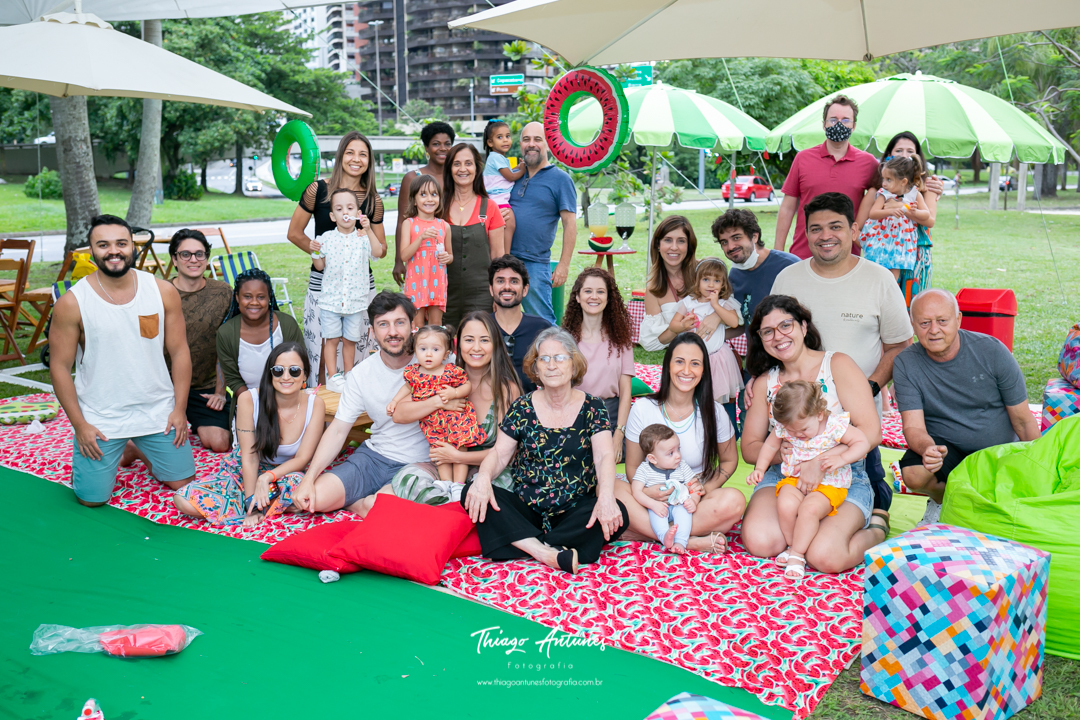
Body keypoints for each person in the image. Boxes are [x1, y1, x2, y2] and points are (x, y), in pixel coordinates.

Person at [770, 192, 913, 512]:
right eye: (816, 229)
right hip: (796, 429)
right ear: (805, 234)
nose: (825, 236)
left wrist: (869, 387)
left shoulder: (879, 280)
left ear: (855, 230)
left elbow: (899, 347)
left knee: (867, 506)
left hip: (855, 429)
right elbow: (772, 339)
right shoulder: (787, 278)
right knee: (789, 517)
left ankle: (875, 512)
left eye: (835, 226)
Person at [49, 214, 195, 506]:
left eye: (121, 243)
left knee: (183, 484)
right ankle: (123, 446)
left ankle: (137, 447)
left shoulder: (162, 291)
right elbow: (60, 368)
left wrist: (179, 410)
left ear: (132, 246)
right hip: (102, 417)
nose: (113, 251)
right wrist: (80, 425)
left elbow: (180, 352)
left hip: (156, 412)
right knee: (92, 499)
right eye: (103, 245)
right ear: (91, 251)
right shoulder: (72, 303)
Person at [740, 295, 889, 573]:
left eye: (786, 325)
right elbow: (750, 447)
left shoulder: (837, 365)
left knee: (824, 557)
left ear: (803, 327)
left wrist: (817, 463)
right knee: (761, 542)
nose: (778, 336)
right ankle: (800, 534)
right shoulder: (765, 383)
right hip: (784, 475)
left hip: (842, 475)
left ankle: (877, 527)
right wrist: (780, 454)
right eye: (767, 331)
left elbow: (871, 433)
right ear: (760, 339)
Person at [460, 327, 628, 574]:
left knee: (617, 511)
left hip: (573, 510)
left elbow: (603, 456)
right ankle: (547, 551)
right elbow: (499, 454)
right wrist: (483, 478)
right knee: (471, 492)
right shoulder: (522, 407)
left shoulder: (594, 407)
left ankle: (523, 541)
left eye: (559, 358)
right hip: (527, 508)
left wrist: (605, 498)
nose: (552, 365)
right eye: (544, 359)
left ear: (574, 364)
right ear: (535, 367)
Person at [893, 289, 1039, 524]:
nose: (934, 330)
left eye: (942, 321)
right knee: (914, 473)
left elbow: (1023, 420)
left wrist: (1040, 461)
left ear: (958, 319)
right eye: (924, 323)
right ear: (912, 324)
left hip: (997, 450)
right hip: (947, 447)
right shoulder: (906, 362)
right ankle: (944, 503)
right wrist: (928, 449)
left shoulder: (992, 351)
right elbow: (913, 428)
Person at [292, 292, 430, 517]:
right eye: (383, 325)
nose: (392, 332)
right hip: (374, 458)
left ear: (413, 325)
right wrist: (309, 479)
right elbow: (338, 430)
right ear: (372, 332)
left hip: (421, 463)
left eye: (400, 323)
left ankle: (362, 503)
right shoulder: (361, 374)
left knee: (383, 509)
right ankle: (361, 503)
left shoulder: (434, 362)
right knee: (312, 499)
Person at [616, 333, 744, 554]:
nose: (686, 371)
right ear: (667, 366)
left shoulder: (715, 412)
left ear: (704, 370)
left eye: (695, 364)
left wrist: (705, 488)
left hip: (692, 502)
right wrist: (648, 492)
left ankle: (645, 532)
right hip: (651, 500)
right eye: (679, 362)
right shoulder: (643, 408)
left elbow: (730, 460)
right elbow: (633, 467)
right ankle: (688, 540)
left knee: (734, 501)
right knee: (607, 487)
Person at [174, 342, 325, 526]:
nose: (286, 377)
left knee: (299, 484)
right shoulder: (249, 400)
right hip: (244, 471)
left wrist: (267, 476)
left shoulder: (315, 404)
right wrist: (251, 505)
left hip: (283, 475)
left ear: (305, 375)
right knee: (183, 500)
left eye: (294, 371)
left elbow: (302, 459)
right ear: (270, 374)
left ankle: (246, 505)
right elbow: (249, 457)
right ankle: (259, 505)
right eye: (278, 370)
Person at [390, 311, 522, 504]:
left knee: (496, 491)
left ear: (495, 345)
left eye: (484, 340)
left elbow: (507, 453)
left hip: (490, 468)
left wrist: (458, 456)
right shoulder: (441, 377)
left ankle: (452, 513)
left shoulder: (506, 390)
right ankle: (452, 511)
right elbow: (399, 415)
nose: (476, 348)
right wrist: (439, 401)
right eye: (469, 340)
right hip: (446, 467)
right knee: (408, 480)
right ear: (457, 344)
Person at [747, 380, 870, 579]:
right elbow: (770, 446)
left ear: (819, 414)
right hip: (795, 477)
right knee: (785, 503)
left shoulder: (833, 425)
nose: (797, 435)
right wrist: (760, 469)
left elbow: (862, 441)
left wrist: (841, 458)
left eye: (803, 430)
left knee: (809, 509)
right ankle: (792, 545)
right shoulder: (787, 426)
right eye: (791, 431)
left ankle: (797, 554)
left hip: (830, 482)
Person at [287, 132, 386, 377]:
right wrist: (319, 252)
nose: (356, 159)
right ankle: (322, 407)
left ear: (369, 161)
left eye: (363, 154)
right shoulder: (317, 190)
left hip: (360, 287)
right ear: (341, 155)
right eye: (350, 152)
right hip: (323, 284)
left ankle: (353, 403)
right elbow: (294, 233)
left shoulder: (373, 200)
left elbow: (381, 249)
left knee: (356, 349)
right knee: (321, 351)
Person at [774, 95, 879, 259]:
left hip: (848, 258)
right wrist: (778, 252)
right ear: (823, 124)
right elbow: (787, 207)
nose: (839, 124)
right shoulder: (803, 158)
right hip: (804, 255)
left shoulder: (868, 163)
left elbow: (893, 192)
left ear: (854, 126)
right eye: (833, 119)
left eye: (845, 120)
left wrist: (929, 187)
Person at [387, 324, 485, 486]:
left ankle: (459, 485)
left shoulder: (450, 371)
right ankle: (446, 483)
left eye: (435, 350)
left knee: (460, 449)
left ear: (446, 354)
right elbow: (407, 388)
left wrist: (454, 393)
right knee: (439, 453)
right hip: (433, 424)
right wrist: (395, 401)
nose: (429, 354)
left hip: (456, 421)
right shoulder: (414, 373)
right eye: (423, 349)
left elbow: (466, 385)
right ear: (415, 350)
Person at [854, 132, 944, 306]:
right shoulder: (878, 192)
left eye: (910, 151)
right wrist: (874, 247)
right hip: (883, 255)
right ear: (889, 156)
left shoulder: (926, 189)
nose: (905, 155)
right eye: (899, 150)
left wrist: (902, 208)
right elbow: (858, 227)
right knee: (882, 304)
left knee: (913, 308)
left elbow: (929, 220)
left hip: (916, 257)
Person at [311, 187, 386, 390]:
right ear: (332, 216)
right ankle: (333, 377)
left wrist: (369, 230)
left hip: (354, 301)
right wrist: (315, 252)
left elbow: (378, 253)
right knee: (332, 339)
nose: (345, 211)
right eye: (339, 208)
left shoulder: (363, 238)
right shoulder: (325, 238)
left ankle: (350, 375)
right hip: (330, 301)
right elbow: (319, 267)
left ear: (357, 213)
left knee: (350, 340)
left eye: (350, 207)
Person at [167, 228, 232, 453]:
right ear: (174, 259)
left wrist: (220, 392)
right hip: (164, 388)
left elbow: (227, 346)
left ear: (206, 258)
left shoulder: (223, 293)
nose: (193, 260)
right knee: (129, 450)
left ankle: (195, 419)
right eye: (185, 254)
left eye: (199, 254)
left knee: (220, 442)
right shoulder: (159, 293)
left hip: (203, 388)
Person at [506, 121, 577, 324]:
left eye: (538, 139)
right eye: (526, 139)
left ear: (548, 144)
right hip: (505, 258)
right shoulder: (512, 176)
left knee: (541, 321)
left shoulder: (561, 179)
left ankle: (554, 354)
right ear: (520, 145)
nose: (532, 144)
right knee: (503, 317)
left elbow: (570, 225)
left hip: (535, 262)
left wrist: (563, 265)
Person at [562, 267, 633, 462]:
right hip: (574, 414)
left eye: (600, 291)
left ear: (609, 298)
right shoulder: (564, 341)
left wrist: (618, 433)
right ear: (577, 297)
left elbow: (626, 392)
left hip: (610, 414)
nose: (594, 297)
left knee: (617, 457)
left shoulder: (621, 339)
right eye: (588, 291)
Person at [660, 257, 744, 405]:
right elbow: (673, 325)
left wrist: (716, 306)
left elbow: (734, 322)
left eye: (717, 281)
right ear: (697, 281)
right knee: (692, 396)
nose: (711, 284)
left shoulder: (724, 303)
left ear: (723, 284)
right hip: (690, 358)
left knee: (717, 399)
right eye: (706, 279)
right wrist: (684, 326)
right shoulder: (688, 302)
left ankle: (722, 422)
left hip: (715, 359)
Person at [217, 269, 304, 400]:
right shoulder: (226, 333)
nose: (254, 302)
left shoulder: (286, 324)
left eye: (261, 297)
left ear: (269, 297)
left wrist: (280, 402)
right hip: (249, 402)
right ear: (237, 297)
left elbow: (300, 365)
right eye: (247, 296)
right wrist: (255, 404)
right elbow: (233, 379)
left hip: (288, 399)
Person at [638, 216, 723, 351]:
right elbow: (650, 343)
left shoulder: (706, 273)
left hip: (715, 355)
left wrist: (717, 316)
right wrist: (679, 328)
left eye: (681, 241)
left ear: (689, 246)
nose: (674, 247)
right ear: (658, 245)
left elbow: (737, 321)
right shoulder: (654, 289)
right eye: (667, 240)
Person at [443, 143, 504, 328]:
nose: (463, 169)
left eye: (468, 163)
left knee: (477, 344)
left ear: (477, 168)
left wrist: (498, 295)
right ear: (449, 169)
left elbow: (498, 258)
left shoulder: (490, 207)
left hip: (481, 296)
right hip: (442, 294)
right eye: (457, 164)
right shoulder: (438, 207)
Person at [712, 209, 799, 340]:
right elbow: (743, 324)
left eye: (736, 238)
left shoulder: (789, 266)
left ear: (754, 236)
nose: (730, 247)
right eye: (724, 242)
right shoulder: (735, 276)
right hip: (755, 356)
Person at [394, 122, 455, 285]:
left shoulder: (456, 176)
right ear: (426, 148)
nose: (443, 148)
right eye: (436, 144)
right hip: (419, 255)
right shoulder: (413, 177)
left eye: (447, 144)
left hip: (447, 252)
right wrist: (398, 261)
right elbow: (402, 220)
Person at [860, 156, 930, 281]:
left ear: (903, 181)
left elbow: (926, 215)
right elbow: (873, 213)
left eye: (888, 179)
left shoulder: (914, 194)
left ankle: (889, 295)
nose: (884, 183)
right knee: (876, 270)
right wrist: (890, 211)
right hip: (881, 239)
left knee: (893, 274)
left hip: (901, 241)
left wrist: (913, 211)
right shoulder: (884, 193)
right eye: (883, 178)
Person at [488, 255, 551, 393]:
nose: (507, 287)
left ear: (525, 289)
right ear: (491, 289)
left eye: (514, 281)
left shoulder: (542, 329)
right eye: (500, 281)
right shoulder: (481, 327)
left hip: (533, 409)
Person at [632, 424, 698, 555]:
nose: (678, 456)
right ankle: (665, 537)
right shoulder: (644, 469)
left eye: (678, 449)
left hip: (679, 504)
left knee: (685, 515)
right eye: (671, 453)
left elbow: (694, 487)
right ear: (652, 458)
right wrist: (654, 505)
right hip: (658, 506)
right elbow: (636, 491)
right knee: (657, 518)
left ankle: (680, 542)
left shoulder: (682, 467)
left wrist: (694, 501)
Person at [400, 175, 453, 328]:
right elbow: (404, 255)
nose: (429, 199)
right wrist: (421, 238)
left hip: (437, 283)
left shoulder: (444, 226)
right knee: (417, 326)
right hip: (416, 283)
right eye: (423, 194)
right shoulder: (409, 224)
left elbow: (450, 256)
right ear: (414, 200)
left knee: (436, 325)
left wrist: (446, 257)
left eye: (434, 194)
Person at [482, 120, 524, 250]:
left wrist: (517, 167)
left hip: (496, 200)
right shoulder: (495, 157)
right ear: (490, 143)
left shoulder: (497, 158)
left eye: (507, 136)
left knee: (504, 227)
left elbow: (508, 171)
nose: (505, 140)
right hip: (499, 200)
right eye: (499, 137)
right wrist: (523, 169)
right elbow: (510, 176)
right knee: (510, 224)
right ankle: (506, 254)